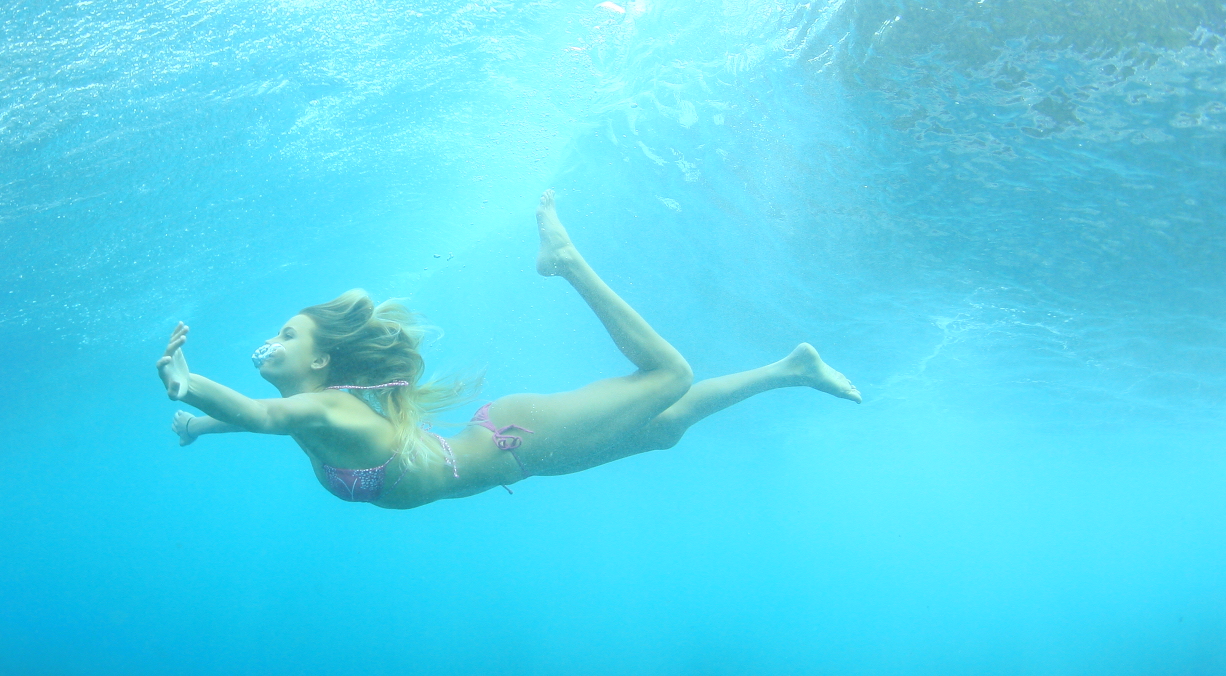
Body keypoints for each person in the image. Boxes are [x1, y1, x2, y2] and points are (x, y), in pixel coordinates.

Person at [156, 191, 859, 509]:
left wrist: (190, 386)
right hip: (516, 457)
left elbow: (262, 417)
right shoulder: (313, 411)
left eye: (288, 335)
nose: (272, 341)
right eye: (279, 332)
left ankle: (567, 261)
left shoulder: (325, 413)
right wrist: (201, 426)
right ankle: (790, 369)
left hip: (520, 438)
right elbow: (267, 421)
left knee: (670, 376)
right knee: (664, 429)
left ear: (319, 363)